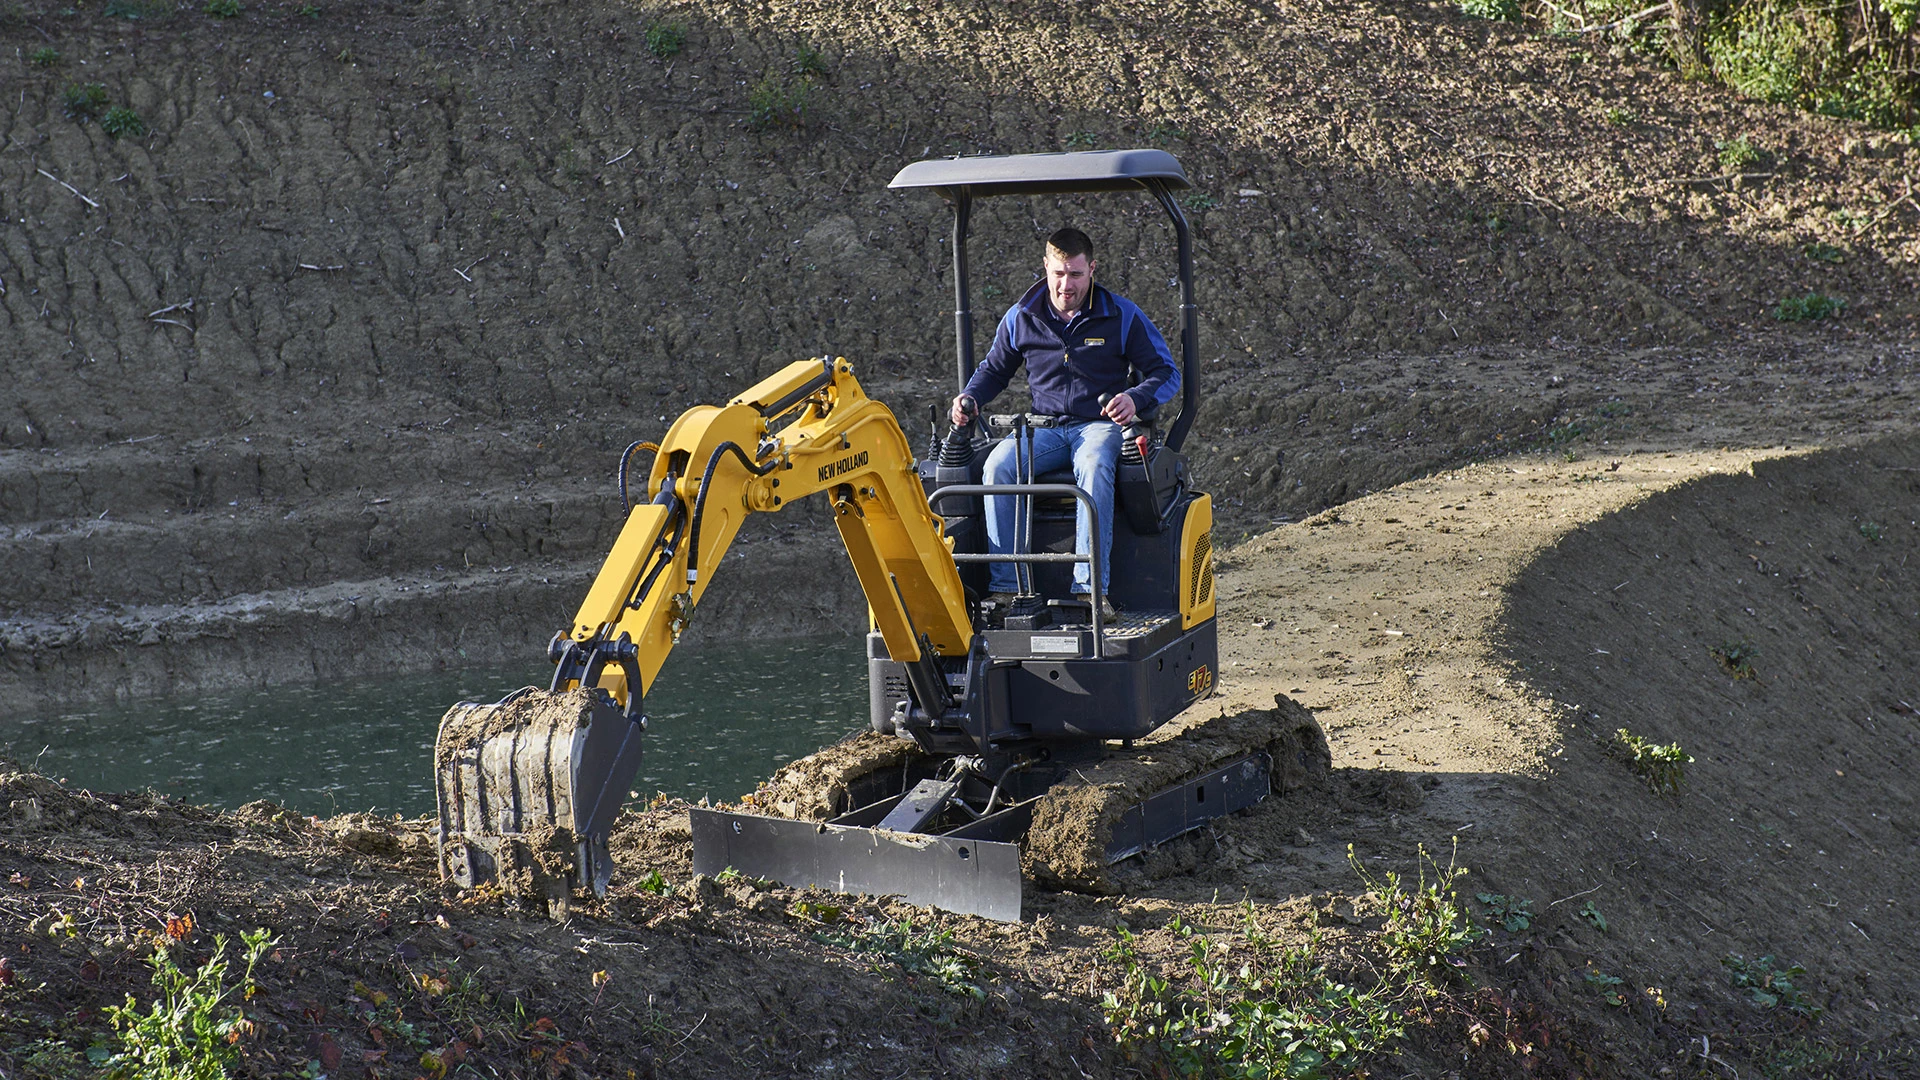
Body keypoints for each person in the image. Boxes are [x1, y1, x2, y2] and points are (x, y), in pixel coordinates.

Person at [949, 227, 1180, 615]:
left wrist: (1134, 398)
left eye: (1075, 274)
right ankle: (1007, 586)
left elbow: (1166, 372)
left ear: (1091, 269)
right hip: (1045, 428)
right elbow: (993, 371)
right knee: (997, 465)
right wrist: (969, 397)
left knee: (1093, 464)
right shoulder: (1022, 316)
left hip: (1099, 425)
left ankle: (1089, 590)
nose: (1065, 284)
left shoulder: (1120, 314)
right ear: (1045, 267)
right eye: (1058, 273)